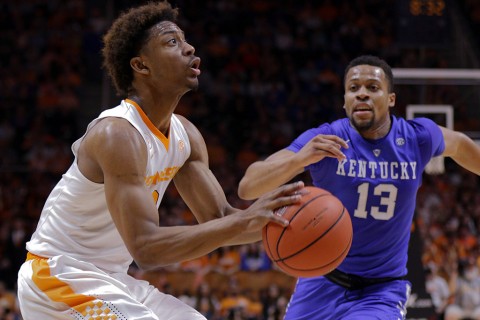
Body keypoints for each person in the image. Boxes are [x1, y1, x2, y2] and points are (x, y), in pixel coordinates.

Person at [16, 2, 303, 319]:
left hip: (112, 279)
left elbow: (220, 218)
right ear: (141, 66)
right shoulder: (116, 134)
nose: (189, 47)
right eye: (172, 42)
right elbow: (146, 248)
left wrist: (284, 220)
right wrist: (243, 220)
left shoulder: (186, 137)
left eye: (185, 40)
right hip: (57, 274)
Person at [238, 55, 480, 319]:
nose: (361, 94)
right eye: (353, 88)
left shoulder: (416, 138)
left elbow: (460, 145)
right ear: (344, 101)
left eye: (372, 88)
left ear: (391, 99)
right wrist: (300, 159)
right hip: (321, 279)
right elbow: (248, 186)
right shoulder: (326, 139)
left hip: (381, 291)